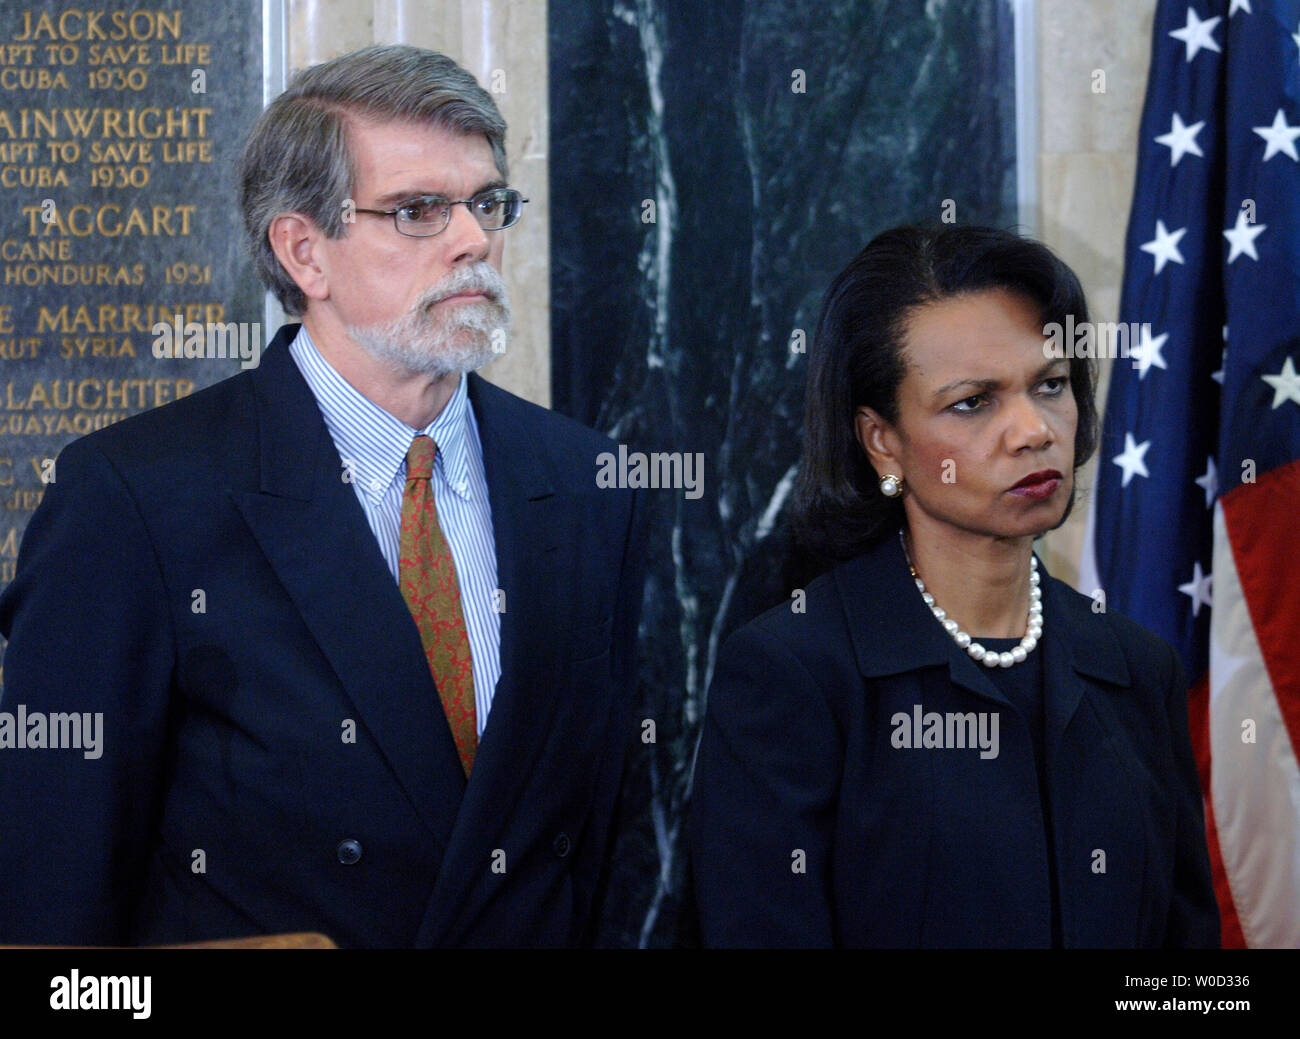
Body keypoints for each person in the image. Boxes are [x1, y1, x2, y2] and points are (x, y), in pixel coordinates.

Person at [0, 45, 647, 948]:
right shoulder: (135, 498)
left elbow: (611, 860)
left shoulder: (588, 483)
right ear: (304, 250)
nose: (474, 240)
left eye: (487, 203)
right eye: (419, 210)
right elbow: (49, 921)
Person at [688, 225, 1220, 948]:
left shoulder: (1137, 668)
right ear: (883, 440)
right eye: (974, 402)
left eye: (1051, 385)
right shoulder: (794, 673)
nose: (1032, 430)